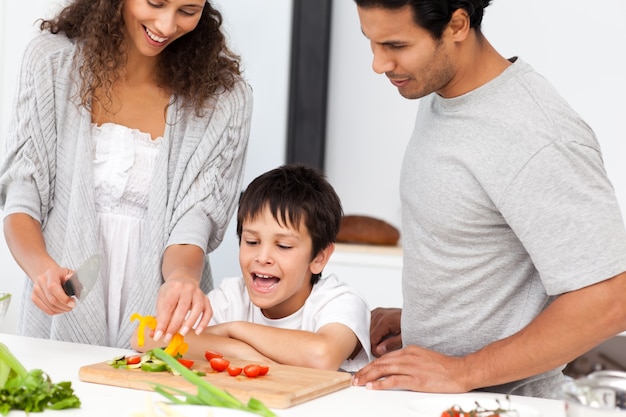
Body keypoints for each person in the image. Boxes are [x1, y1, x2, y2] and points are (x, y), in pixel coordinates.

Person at [351, 0, 626, 398]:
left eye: (396, 45)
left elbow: (609, 298)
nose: (379, 64)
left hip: (503, 404)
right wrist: (425, 325)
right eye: (371, 43)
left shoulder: (536, 133)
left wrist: (464, 370)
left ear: (458, 25)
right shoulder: (441, 94)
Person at [0, 0, 252, 349]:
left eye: (188, 11)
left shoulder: (222, 98)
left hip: (161, 320)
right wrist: (42, 270)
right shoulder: (51, 62)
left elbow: (195, 218)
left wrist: (180, 280)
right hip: (58, 316)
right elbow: (22, 193)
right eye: (156, 3)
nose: (166, 25)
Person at [134, 164, 371, 372]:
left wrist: (235, 329)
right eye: (252, 242)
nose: (263, 257)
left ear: (319, 257)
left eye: (283, 245)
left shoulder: (340, 301)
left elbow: (322, 356)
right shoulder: (233, 295)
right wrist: (239, 351)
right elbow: (144, 337)